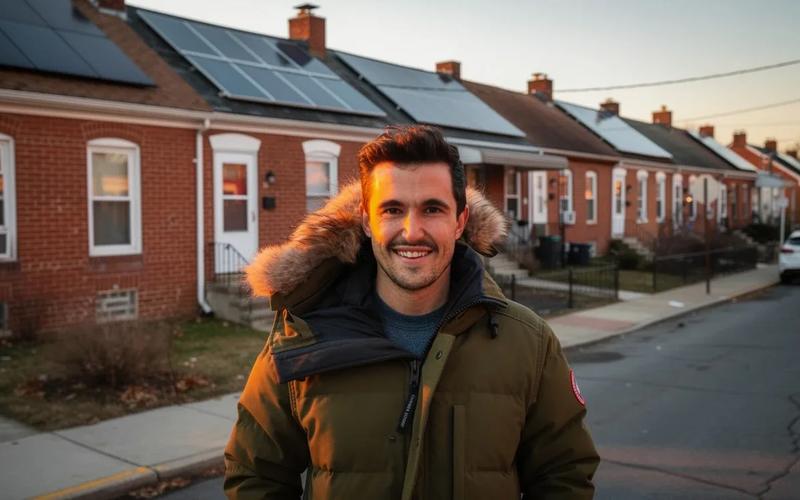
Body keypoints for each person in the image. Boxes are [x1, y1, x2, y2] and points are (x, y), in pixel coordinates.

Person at [224, 125, 599, 499]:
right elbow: (254, 474)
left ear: (460, 221)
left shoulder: (527, 342)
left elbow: (564, 472)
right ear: (368, 221)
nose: (412, 231)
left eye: (432, 209)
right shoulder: (301, 337)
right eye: (392, 209)